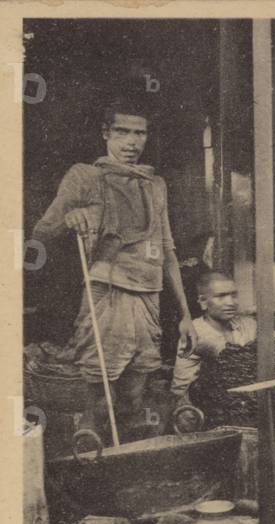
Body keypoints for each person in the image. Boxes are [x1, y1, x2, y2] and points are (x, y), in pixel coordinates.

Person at [31, 96, 197, 441]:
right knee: (99, 391)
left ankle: (126, 461)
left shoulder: (155, 184)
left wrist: (185, 314)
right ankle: (90, 456)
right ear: (106, 133)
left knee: (137, 389)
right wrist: (69, 217)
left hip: (148, 295)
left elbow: (167, 252)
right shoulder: (85, 176)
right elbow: (42, 231)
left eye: (140, 133)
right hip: (106, 292)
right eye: (123, 132)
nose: (132, 142)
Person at [171, 272, 256, 404]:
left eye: (234, 295)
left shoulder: (247, 324)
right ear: (203, 302)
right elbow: (239, 361)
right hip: (196, 408)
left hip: (235, 400)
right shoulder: (196, 332)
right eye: (221, 296)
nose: (231, 302)